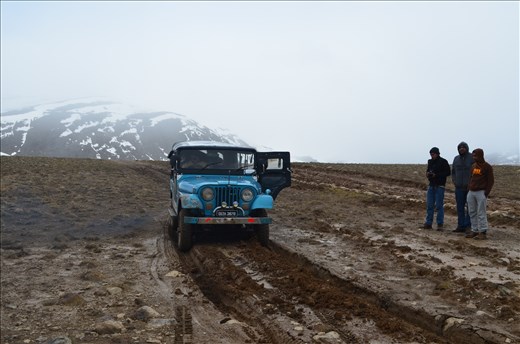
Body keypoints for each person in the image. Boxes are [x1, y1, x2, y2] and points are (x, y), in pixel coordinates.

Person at [465, 148, 494, 240]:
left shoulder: (487, 167)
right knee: (472, 212)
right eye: (473, 156)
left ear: (480, 155)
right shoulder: (473, 166)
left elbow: (491, 181)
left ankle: (483, 232)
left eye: (475, 155)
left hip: (481, 192)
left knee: (481, 212)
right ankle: (475, 230)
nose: (474, 157)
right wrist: (469, 188)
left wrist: (486, 192)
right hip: (471, 192)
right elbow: (470, 178)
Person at [423, 147, 451, 230]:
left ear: (438, 153)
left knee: (439, 206)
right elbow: (428, 171)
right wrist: (428, 174)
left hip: (440, 186)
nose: (432, 155)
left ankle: (440, 224)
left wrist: (437, 175)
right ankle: (428, 223)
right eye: (431, 154)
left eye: (433, 154)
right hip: (431, 185)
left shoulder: (443, 161)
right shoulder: (430, 162)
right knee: (429, 205)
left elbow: (448, 172)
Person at [451, 142, 474, 232]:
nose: (462, 149)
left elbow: (475, 171)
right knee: (460, 207)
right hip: (459, 188)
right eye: (460, 147)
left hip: (469, 188)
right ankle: (460, 226)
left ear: (467, 148)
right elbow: (453, 172)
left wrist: (472, 183)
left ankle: (468, 226)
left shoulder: (472, 157)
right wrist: (454, 181)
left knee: (470, 207)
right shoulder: (456, 159)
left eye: (463, 147)